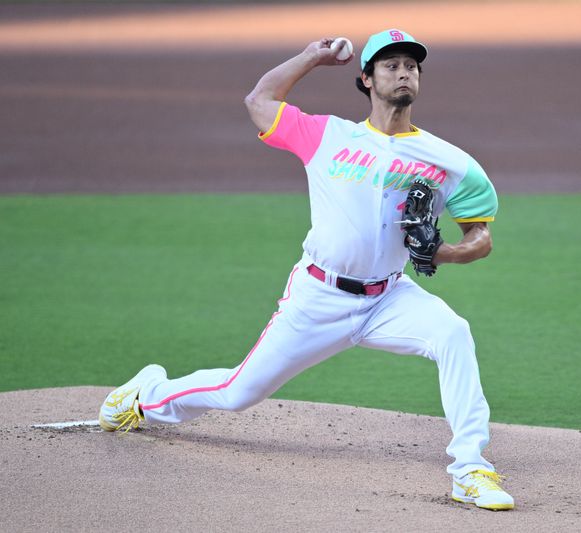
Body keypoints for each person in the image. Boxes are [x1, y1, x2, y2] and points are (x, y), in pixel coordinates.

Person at [98, 29, 514, 511]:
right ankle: (145, 395)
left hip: (389, 298)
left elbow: (479, 237)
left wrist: (444, 252)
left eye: (412, 66)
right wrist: (310, 57)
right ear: (366, 78)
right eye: (391, 65)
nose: (404, 72)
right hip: (318, 297)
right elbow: (260, 100)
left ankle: (470, 468)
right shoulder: (327, 135)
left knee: (453, 333)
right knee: (238, 392)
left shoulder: (451, 162)